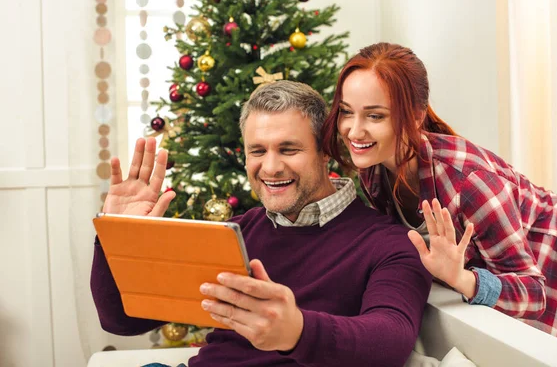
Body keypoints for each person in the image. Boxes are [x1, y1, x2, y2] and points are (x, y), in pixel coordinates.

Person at [91, 80, 432, 367]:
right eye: (257, 151)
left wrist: (296, 331)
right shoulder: (237, 232)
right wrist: (115, 233)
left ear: (326, 150)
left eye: (288, 149)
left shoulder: (389, 243)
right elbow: (121, 321)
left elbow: (392, 337)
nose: (270, 168)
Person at [321, 42, 557, 355]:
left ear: (414, 117)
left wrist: (462, 278)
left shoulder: (468, 181)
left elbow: (534, 293)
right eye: (346, 112)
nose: (354, 131)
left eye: (375, 116)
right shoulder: (374, 167)